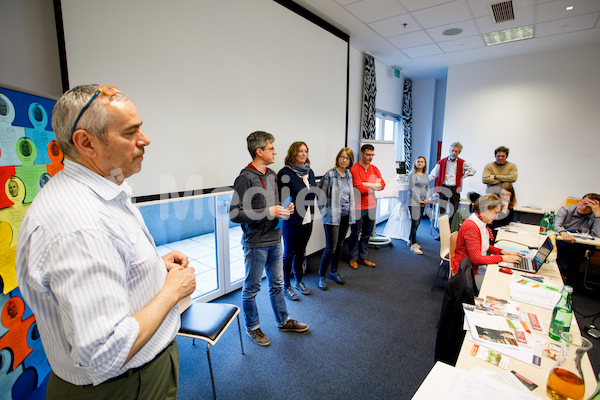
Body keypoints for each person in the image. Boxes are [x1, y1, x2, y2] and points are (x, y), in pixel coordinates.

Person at [15, 84, 197, 398]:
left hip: (137, 374)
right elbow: (104, 353)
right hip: (125, 385)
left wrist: (152, 267)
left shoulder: (104, 185)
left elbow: (110, 264)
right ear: (86, 143)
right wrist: (172, 291)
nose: (145, 140)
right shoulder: (80, 226)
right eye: (130, 132)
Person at [230, 131, 309, 347]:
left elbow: (276, 204)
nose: (275, 151)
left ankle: (283, 321)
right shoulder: (245, 178)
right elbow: (235, 214)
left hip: (276, 238)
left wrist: (287, 208)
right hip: (256, 243)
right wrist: (268, 212)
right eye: (271, 148)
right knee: (252, 288)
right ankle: (252, 327)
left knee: (277, 284)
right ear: (259, 151)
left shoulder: (273, 174)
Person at [277, 141, 317, 301]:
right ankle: (286, 285)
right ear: (293, 153)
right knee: (288, 254)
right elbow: (280, 197)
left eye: (306, 151)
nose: (303, 154)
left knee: (301, 252)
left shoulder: (310, 172)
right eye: (300, 151)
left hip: (308, 218)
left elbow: (312, 192)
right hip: (292, 220)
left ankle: (299, 281)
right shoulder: (284, 173)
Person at [452, 194, 522, 278]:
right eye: (495, 213)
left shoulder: (480, 222)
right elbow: (476, 259)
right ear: (485, 210)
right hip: (465, 272)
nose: (496, 217)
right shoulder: (471, 226)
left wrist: (504, 252)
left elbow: (484, 246)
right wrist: (502, 258)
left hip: (474, 267)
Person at [317, 147, 356, 290]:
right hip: (332, 217)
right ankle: (321, 276)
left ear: (350, 161)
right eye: (342, 157)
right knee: (330, 248)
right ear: (338, 158)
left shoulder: (349, 175)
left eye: (347, 158)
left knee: (339, 245)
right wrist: (325, 212)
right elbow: (320, 196)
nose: (344, 160)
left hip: (346, 215)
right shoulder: (330, 175)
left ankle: (333, 272)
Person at [348, 144, 385, 269]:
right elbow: (359, 189)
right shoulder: (354, 169)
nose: (370, 157)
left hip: (372, 206)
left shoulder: (374, 168)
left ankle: (362, 257)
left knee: (367, 234)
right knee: (355, 233)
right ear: (361, 153)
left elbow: (382, 185)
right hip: (358, 207)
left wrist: (366, 184)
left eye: (372, 155)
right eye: (368, 154)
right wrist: (374, 185)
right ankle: (353, 258)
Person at [554, 193, 600, 285]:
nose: (583, 208)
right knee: (566, 247)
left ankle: (567, 276)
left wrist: (597, 215)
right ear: (580, 201)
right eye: (583, 204)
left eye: (588, 207)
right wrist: (563, 233)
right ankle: (563, 274)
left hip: (582, 245)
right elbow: (556, 225)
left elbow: (597, 235)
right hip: (564, 242)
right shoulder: (566, 210)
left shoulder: (594, 215)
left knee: (576, 251)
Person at [429, 141, 476, 220]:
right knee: (442, 210)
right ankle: (442, 229)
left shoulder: (462, 162)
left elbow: (473, 170)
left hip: (455, 188)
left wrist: (464, 176)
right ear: (449, 151)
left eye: (456, 151)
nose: (453, 153)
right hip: (444, 187)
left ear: (459, 152)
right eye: (452, 150)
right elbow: (433, 174)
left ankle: (450, 229)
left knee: (453, 210)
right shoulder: (442, 162)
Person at [408, 156, 430, 255]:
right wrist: (419, 201)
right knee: (415, 222)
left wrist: (426, 198)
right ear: (415, 163)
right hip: (414, 201)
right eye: (418, 161)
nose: (420, 163)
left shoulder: (425, 175)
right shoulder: (412, 175)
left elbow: (428, 188)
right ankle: (414, 244)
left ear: (425, 164)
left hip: (422, 201)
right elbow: (412, 189)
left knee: (418, 221)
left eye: (422, 162)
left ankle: (410, 239)